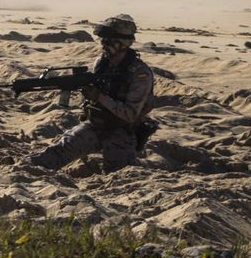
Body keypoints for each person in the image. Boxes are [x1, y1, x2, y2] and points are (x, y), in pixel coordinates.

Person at [27, 15, 156, 174]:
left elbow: (130, 114)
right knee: (55, 153)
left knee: (119, 174)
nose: (103, 45)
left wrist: (99, 96)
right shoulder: (102, 63)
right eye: (102, 40)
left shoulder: (140, 74)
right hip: (95, 125)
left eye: (108, 41)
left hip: (122, 131)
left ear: (122, 43)